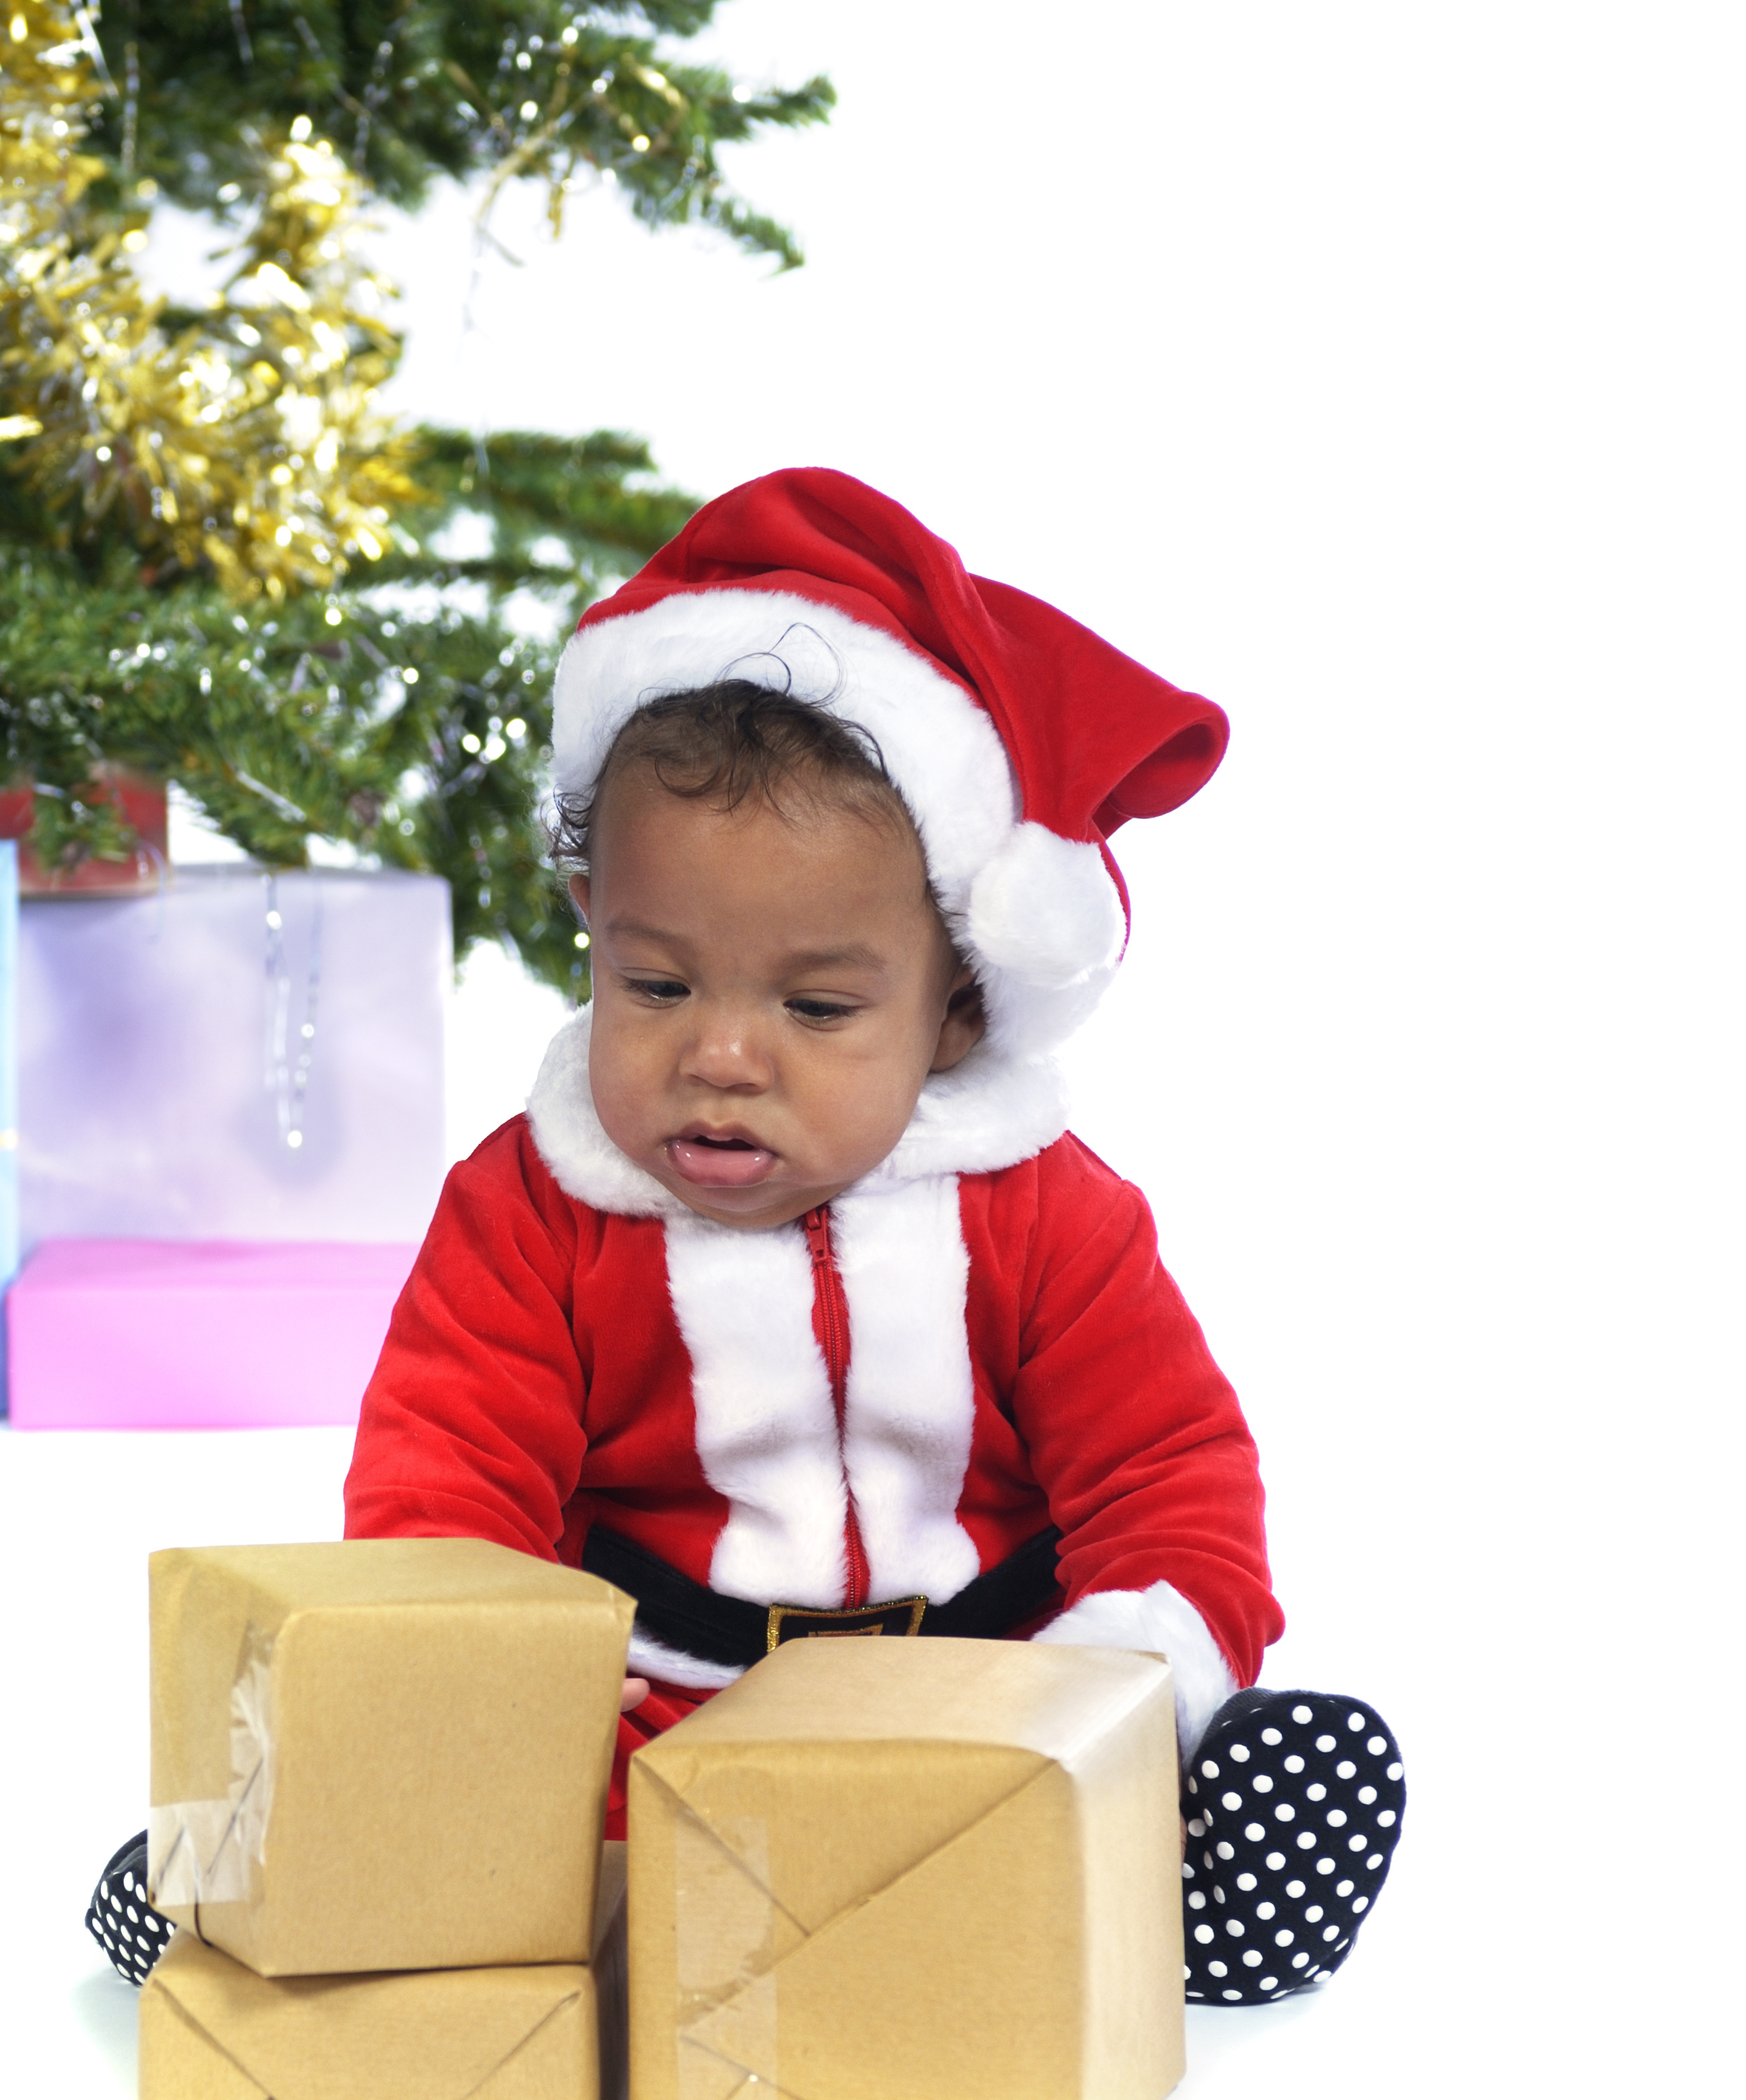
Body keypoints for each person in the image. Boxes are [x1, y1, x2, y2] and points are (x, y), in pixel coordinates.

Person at [87, 469, 1404, 2008]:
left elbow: (1164, 1474)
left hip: (998, 1686)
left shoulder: (1043, 1210)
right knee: (509, 1842)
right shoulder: (527, 1215)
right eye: (655, 985)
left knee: (1074, 1792)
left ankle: (1151, 1874)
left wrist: (1124, 1676)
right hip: (659, 1705)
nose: (719, 1053)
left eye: (816, 1006)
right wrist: (450, 1716)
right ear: (592, 925)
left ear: (956, 1004)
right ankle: (275, 1872)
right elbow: (449, 1506)